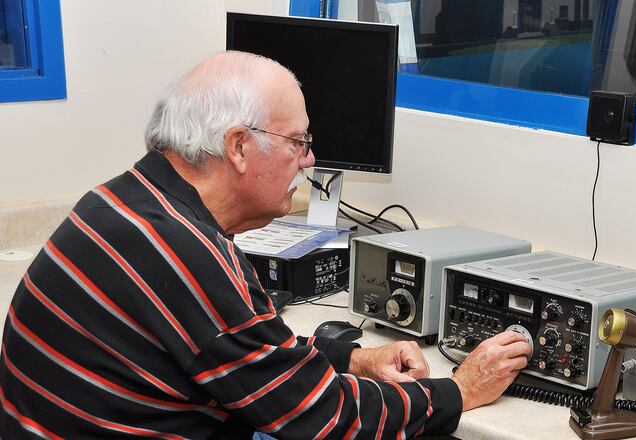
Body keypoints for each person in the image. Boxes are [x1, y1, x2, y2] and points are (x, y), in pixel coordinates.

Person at [0, 51, 532, 439]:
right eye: (299, 142)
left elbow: (250, 357)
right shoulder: (185, 253)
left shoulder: (125, 201)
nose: (308, 162)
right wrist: (457, 391)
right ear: (237, 147)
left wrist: (355, 358)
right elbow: (320, 418)